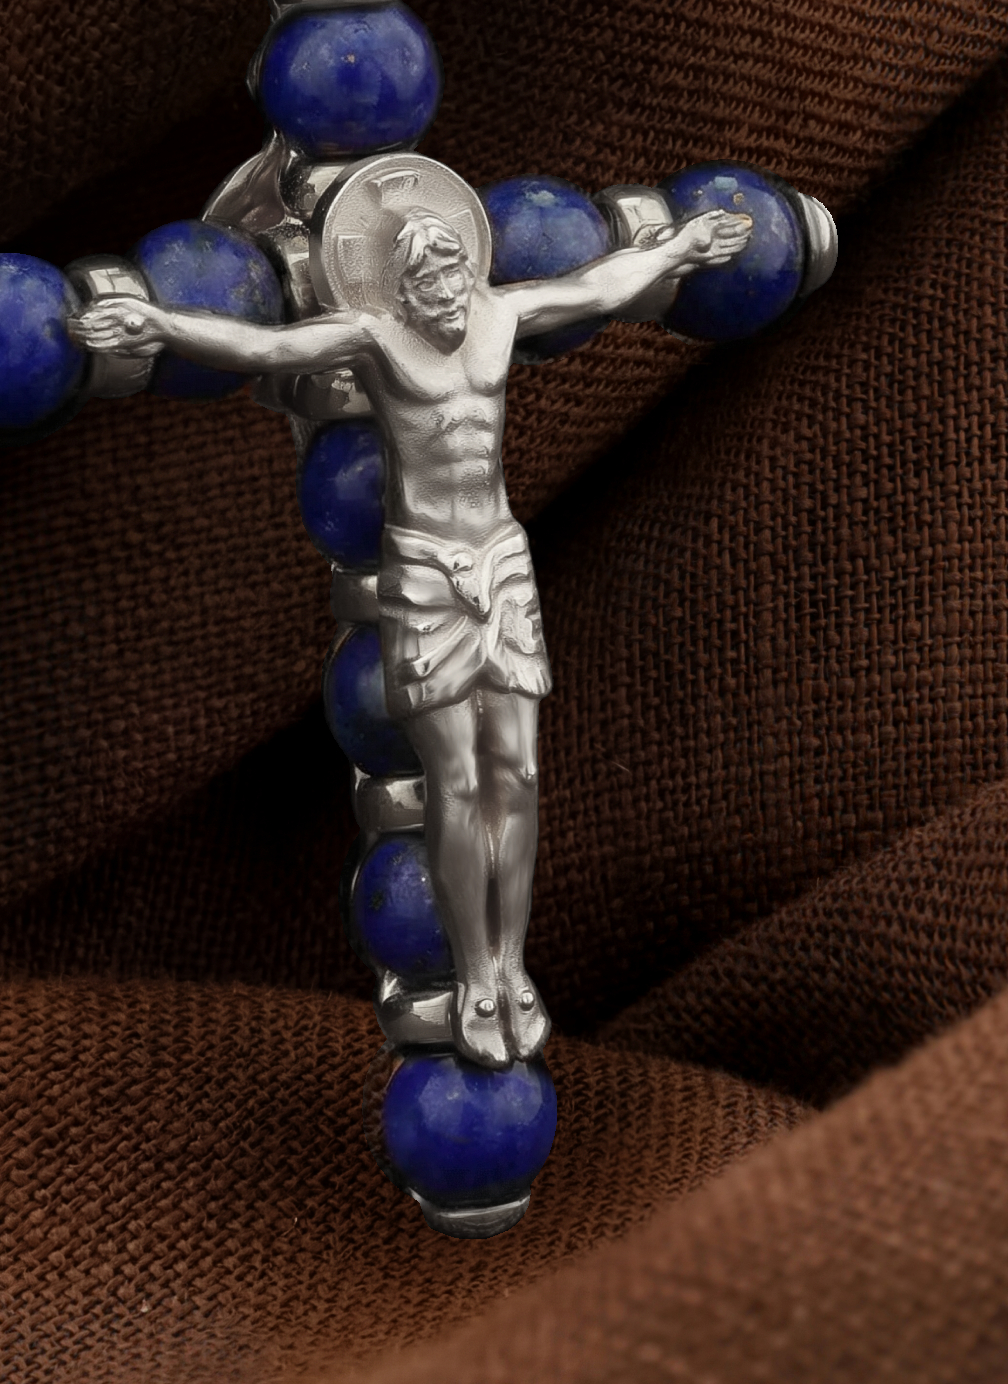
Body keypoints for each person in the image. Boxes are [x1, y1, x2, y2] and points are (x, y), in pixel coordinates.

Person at [73, 193, 752, 1066]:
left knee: (519, 773)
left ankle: (513, 964)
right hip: (429, 571)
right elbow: (267, 349)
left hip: (501, 564)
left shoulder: (501, 315)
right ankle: (478, 974)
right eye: (427, 277)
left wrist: (683, 246)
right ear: (401, 286)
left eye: (453, 270)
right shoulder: (376, 339)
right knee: (456, 782)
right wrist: (160, 323)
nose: (445, 288)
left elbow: (600, 287)